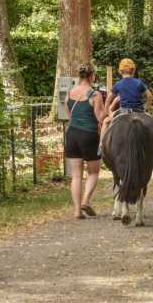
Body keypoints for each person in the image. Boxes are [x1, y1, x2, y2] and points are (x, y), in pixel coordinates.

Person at [65, 63, 105, 219]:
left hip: (72, 134)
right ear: (91, 76)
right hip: (89, 135)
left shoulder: (70, 93)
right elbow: (100, 117)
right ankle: (86, 201)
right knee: (93, 171)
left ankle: (76, 211)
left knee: (76, 175)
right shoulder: (94, 95)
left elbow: (69, 115)